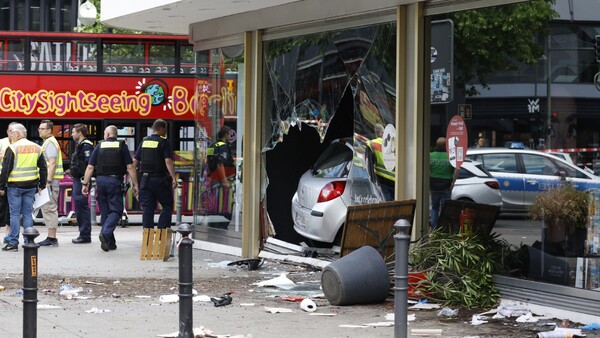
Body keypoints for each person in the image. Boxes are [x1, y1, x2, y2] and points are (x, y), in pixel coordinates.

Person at [82, 125, 139, 252]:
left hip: (100, 181)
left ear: (107, 134)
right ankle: (105, 233)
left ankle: (110, 243)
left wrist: (85, 184)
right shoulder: (122, 146)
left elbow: (90, 167)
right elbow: (130, 167)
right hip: (114, 181)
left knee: (105, 212)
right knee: (117, 211)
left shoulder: (99, 146)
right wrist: (135, 184)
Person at [0, 123, 47, 251]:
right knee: (27, 214)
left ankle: (13, 243)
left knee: (14, 215)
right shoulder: (37, 147)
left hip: (14, 186)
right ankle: (28, 241)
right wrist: (42, 184)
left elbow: (6, 169)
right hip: (31, 185)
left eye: (12, 133)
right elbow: (43, 167)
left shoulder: (13, 148)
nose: (11, 135)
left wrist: (1, 187)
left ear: (18, 134)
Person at [133, 119, 177, 232]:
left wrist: (135, 182)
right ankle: (162, 232)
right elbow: (168, 161)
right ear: (162, 129)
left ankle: (147, 236)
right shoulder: (164, 142)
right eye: (165, 130)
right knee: (167, 205)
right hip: (159, 180)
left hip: (145, 180)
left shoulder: (144, 142)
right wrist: (173, 177)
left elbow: (135, 162)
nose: (166, 132)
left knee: (148, 208)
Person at [37, 120, 65, 247]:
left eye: (42, 129)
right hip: (51, 181)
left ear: (49, 130)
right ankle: (51, 237)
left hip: (51, 182)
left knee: (49, 208)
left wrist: (47, 181)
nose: (40, 130)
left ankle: (52, 238)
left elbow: (52, 163)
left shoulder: (50, 143)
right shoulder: (48, 142)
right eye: (39, 128)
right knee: (48, 208)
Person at [70, 124, 95, 244]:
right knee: (79, 207)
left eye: (73, 132)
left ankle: (85, 235)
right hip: (79, 179)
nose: (72, 134)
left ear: (79, 133)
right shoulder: (80, 146)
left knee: (82, 207)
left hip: (81, 180)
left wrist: (86, 181)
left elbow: (89, 164)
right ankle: (83, 233)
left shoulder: (86, 146)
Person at [429, 137, 459, 229]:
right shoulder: (450, 156)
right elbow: (457, 169)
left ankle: (434, 230)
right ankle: (443, 230)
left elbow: (426, 169)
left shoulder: (430, 155)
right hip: (446, 185)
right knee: (445, 209)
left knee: (434, 208)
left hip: (434, 185)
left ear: (436, 146)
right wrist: (453, 182)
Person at [365, 123, 395, 201]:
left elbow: (369, 163)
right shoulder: (393, 144)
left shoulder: (372, 144)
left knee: (387, 202)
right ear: (383, 133)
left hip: (382, 179)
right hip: (395, 179)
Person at [0, 123, 16, 244]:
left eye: (14, 130)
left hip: (14, 181)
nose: (12, 133)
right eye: (10, 130)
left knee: (10, 209)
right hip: (1, 178)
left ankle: (8, 233)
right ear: (7, 131)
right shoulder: (2, 142)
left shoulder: (20, 144)